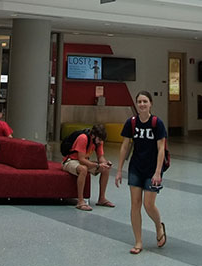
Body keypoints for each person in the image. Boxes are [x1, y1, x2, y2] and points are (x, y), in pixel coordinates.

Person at [115, 91, 167, 254]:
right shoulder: (131, 123)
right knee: (135, 204)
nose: (142, 104)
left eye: (145, 101)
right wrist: (119, 170)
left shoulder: (157, 123)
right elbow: (125, 146)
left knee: (148, 204)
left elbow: (161, 149)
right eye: (139, 102)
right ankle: (138, 241)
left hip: (152, 169)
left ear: (150, 103)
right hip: (136, 168)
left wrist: (158, 172)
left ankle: (159, 226)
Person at [63, 124, 114, 211]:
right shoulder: (83, 138)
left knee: (105, 169)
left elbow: (100, 157)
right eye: (99, 139)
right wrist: (97, 165)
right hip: (70, 161)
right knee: (83, 169)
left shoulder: (99, 141)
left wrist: (105, 163)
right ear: (93, 135)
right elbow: (81, 159)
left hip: (83, 161)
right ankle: (80, 201)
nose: (99, 142)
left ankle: (101, 199)